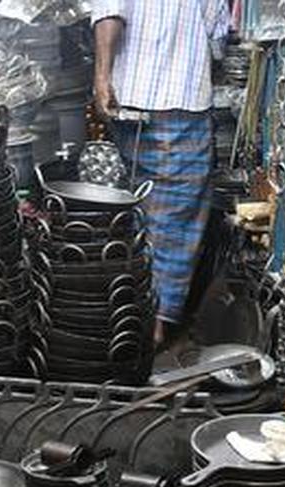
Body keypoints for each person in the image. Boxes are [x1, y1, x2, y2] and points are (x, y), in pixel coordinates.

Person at [91, 0, 230, 345]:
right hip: (178, 99)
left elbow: (109, 11)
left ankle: (128, 313)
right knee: (172, 217)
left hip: (131, 97)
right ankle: (151, 323)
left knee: (137, 209)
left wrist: (103, 78)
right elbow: (217, 38)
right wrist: (102, 76)